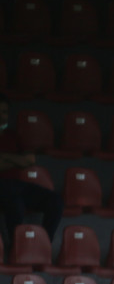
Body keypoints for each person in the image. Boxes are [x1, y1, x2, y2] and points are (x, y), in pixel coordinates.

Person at [0, 96, 64, 249]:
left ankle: (43, 245)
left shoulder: (13, 135)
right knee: (16, 204)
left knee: (55, 201)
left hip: (17, 185)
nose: (2, 115)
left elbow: (30, 160)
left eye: (4, 112)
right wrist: (16, 160)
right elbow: (21, 161)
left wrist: (4, 156)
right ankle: (17, 248)